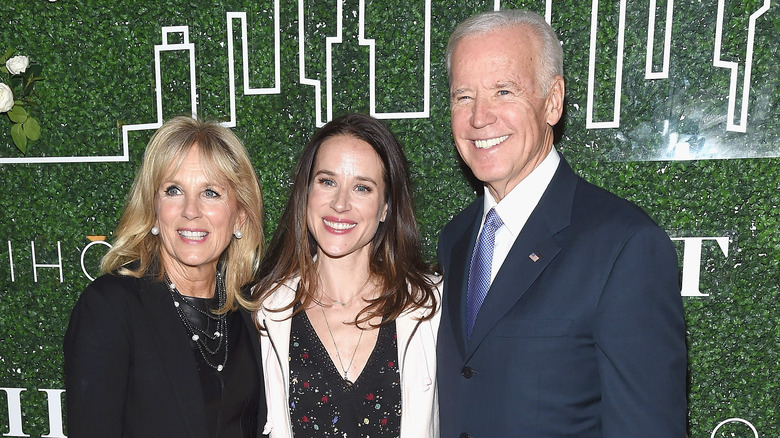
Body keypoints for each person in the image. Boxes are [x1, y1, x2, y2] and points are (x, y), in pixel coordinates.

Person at [436, 9, 687, 437]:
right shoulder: (454, 239)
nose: (479, 117)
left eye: (503, 91)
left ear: (552, 101)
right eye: (464, 96)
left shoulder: (624, 246)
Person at [64, 116, 267, 437]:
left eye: (211, 192)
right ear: (153, 209)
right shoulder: (111, 307)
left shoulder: (252, 311)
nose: (191, 210)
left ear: (239, 216)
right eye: (173, 190)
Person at [252, 113, 440, 437]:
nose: (340, 203)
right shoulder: (262, 313)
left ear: (385, 208)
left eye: (362, 188)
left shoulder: (431, 308)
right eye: (327, 181)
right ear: (306, 193)